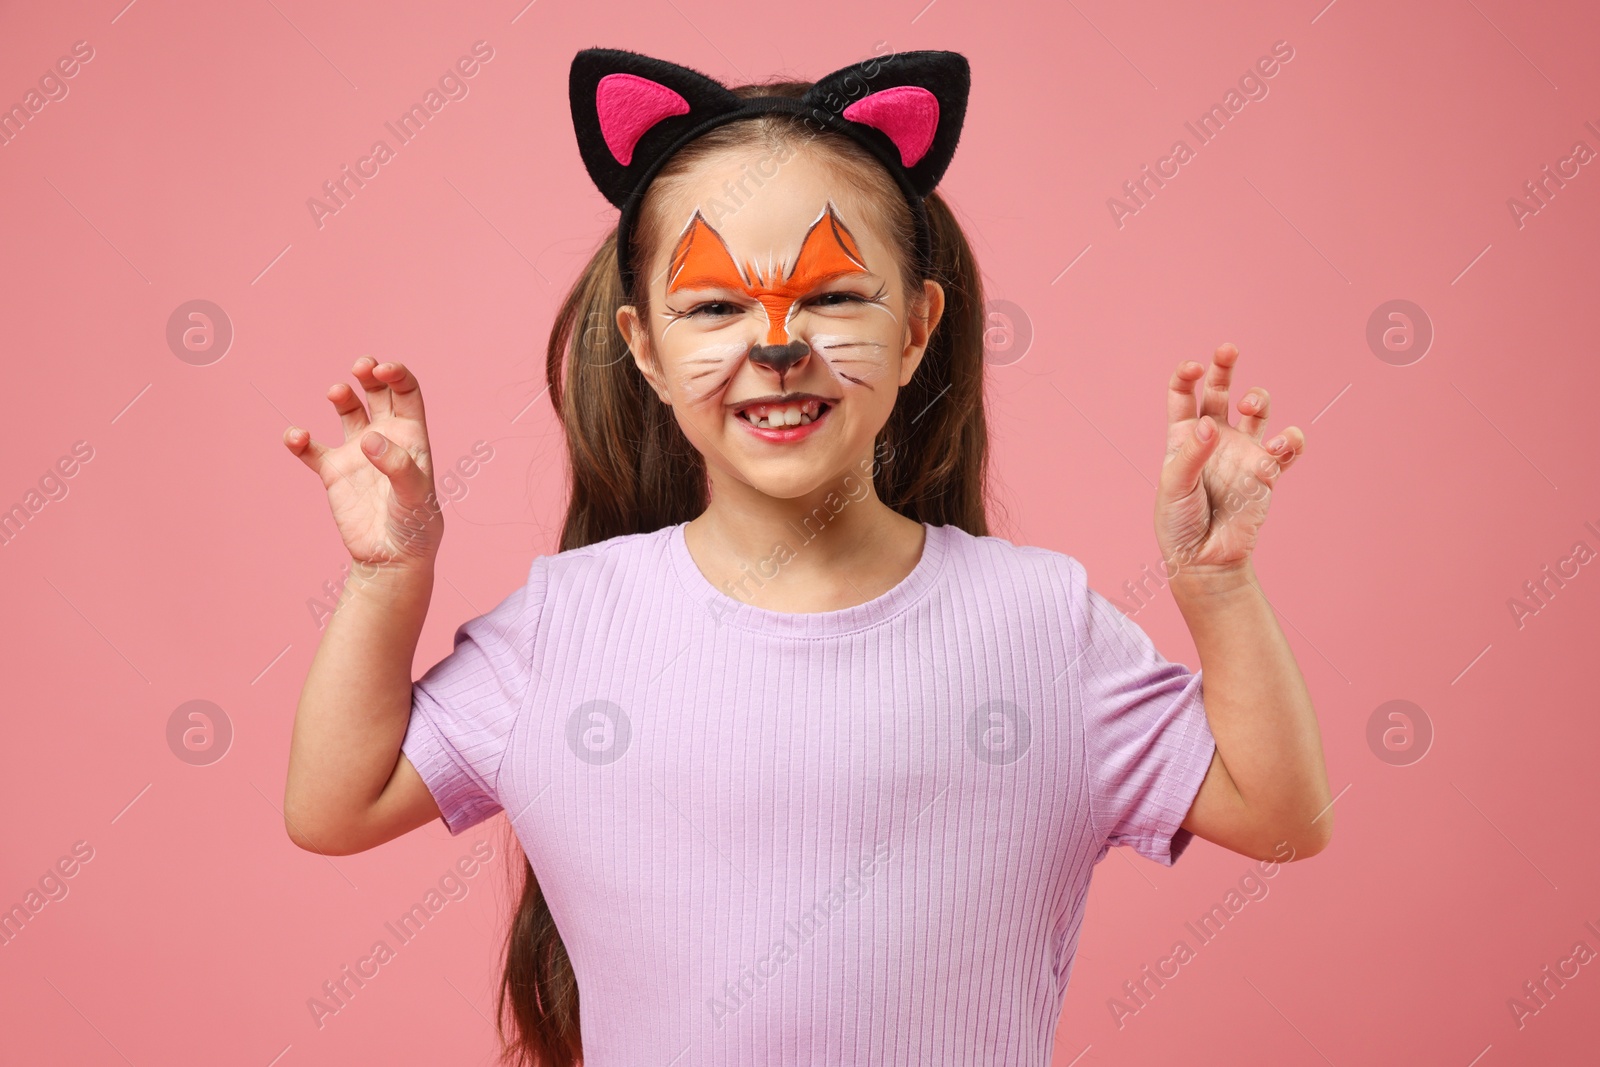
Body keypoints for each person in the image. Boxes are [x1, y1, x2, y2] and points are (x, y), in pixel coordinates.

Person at [280, 46, 1331, 1067]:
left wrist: (1216, 584)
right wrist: (388, 575)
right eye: (713, 307)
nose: (776, 346)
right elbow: (337, 802)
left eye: (832, 296)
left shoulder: (1037, 623)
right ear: (644, 346)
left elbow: (1281, 817)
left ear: (917, 326)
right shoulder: (568, 622)